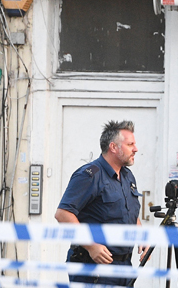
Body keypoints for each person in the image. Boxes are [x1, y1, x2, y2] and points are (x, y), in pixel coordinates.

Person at [55, 120, 145, 287]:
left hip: (124, 267)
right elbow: (63, 214)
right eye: (130, 144)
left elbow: (130, 211)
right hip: (93, 267)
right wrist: (91, 246)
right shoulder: (89, 175)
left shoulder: (127, 176)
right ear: (113, 147)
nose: (135, 149)